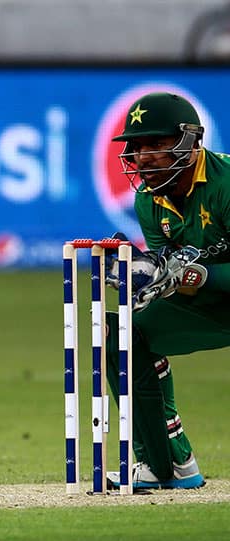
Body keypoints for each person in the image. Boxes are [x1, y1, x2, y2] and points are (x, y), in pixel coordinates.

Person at [104, 91, 230, 490]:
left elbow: (189, 274)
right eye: (138, 148)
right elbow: (169, 269)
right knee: (122, 332)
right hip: (213, 308)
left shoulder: (227, 185)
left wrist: (193, 276)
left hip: (215, 291)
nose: (144, 158)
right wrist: (149, 279)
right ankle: (169, 465)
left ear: (191, 142)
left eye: (157, 146)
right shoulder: (148, 200)